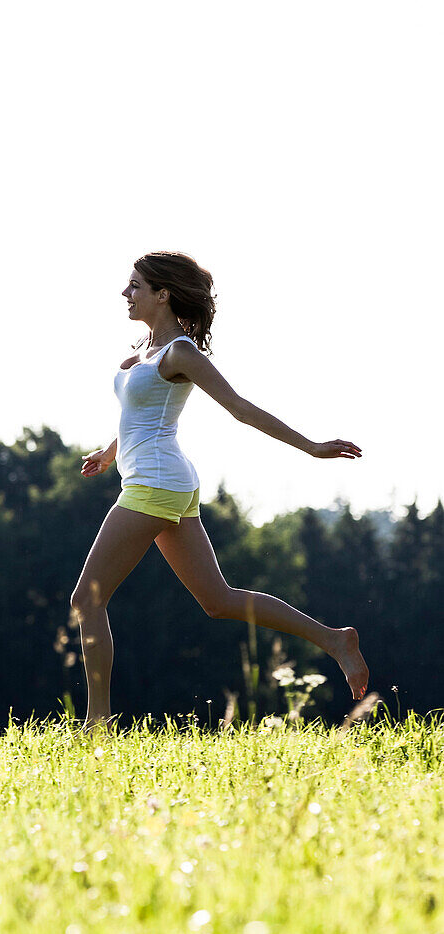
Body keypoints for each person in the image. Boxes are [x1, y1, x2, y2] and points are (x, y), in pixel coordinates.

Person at [71, 251, 369, 733]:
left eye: (134, 286)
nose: (125, 294)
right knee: (218, 600)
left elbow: (239, 408)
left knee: (87, 599)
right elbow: (140, 415)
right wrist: (109, 453)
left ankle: (96, 724)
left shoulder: (181, 353)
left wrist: (311, 447)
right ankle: (335, 639)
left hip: (155, 483)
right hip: (165, 480)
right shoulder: (144, 354)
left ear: (162, 294)